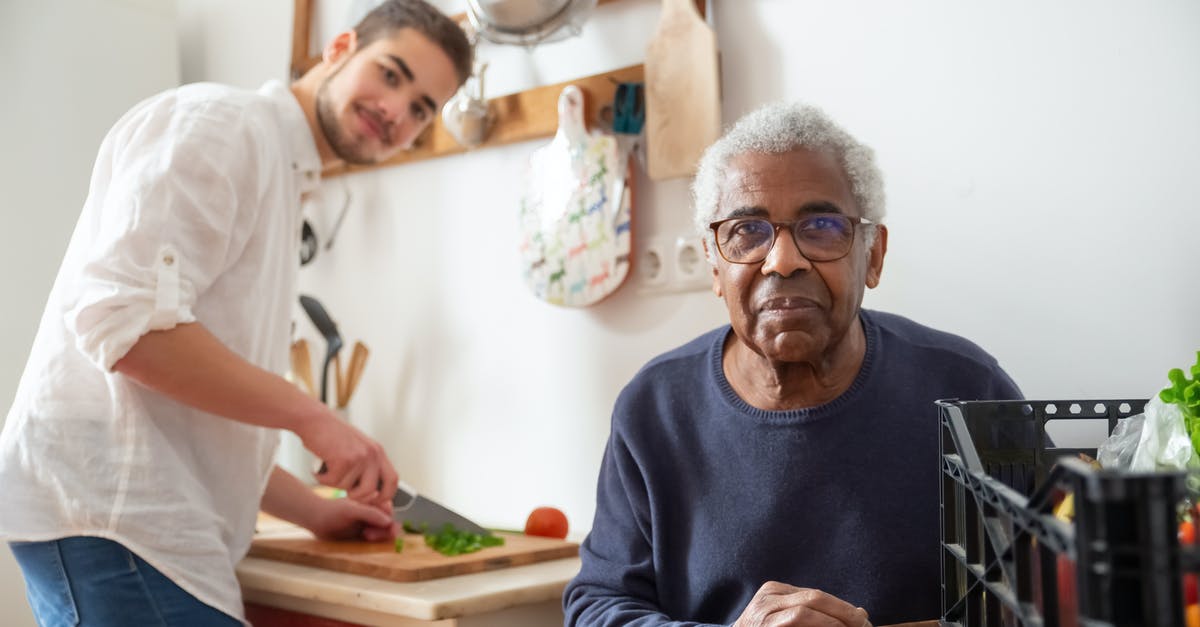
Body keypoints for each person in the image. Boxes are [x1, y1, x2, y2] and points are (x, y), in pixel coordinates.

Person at [0, 1, 471, 625]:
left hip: (148, 535)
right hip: (119, 528)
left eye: (422, 109)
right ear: (338, 49)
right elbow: (125, 326)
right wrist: (315, 418)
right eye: (390, 74)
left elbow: (189, 415)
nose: (396, 111)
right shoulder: (226, 125)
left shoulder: (278, 169)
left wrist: (311, 509)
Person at [564, 102, 1023, 627]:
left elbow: (1048, 583)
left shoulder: (966, 387)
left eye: (821, 226)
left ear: (872, 255)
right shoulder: (655, 408)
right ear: (714, 266)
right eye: (747, 231)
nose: (783, 261)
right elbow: (596, 607)